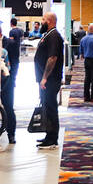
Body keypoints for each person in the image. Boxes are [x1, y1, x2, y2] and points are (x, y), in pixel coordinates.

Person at [34, 12, 65, 149]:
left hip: (51, 80)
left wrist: (45, 77)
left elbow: (52, 58)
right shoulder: (48, 35)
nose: (41, 21)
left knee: (51, 107)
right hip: (46, 79)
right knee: (47, 106)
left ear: (50, 21)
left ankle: (52, 139)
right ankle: (49, 135)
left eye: (43, 19)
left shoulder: (54, 36)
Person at [0, 26, 21, 144]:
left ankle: (11, 134)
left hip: (8, 81)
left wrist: (12, 79)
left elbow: (15, 63)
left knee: (8, 108)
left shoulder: (11, 44)